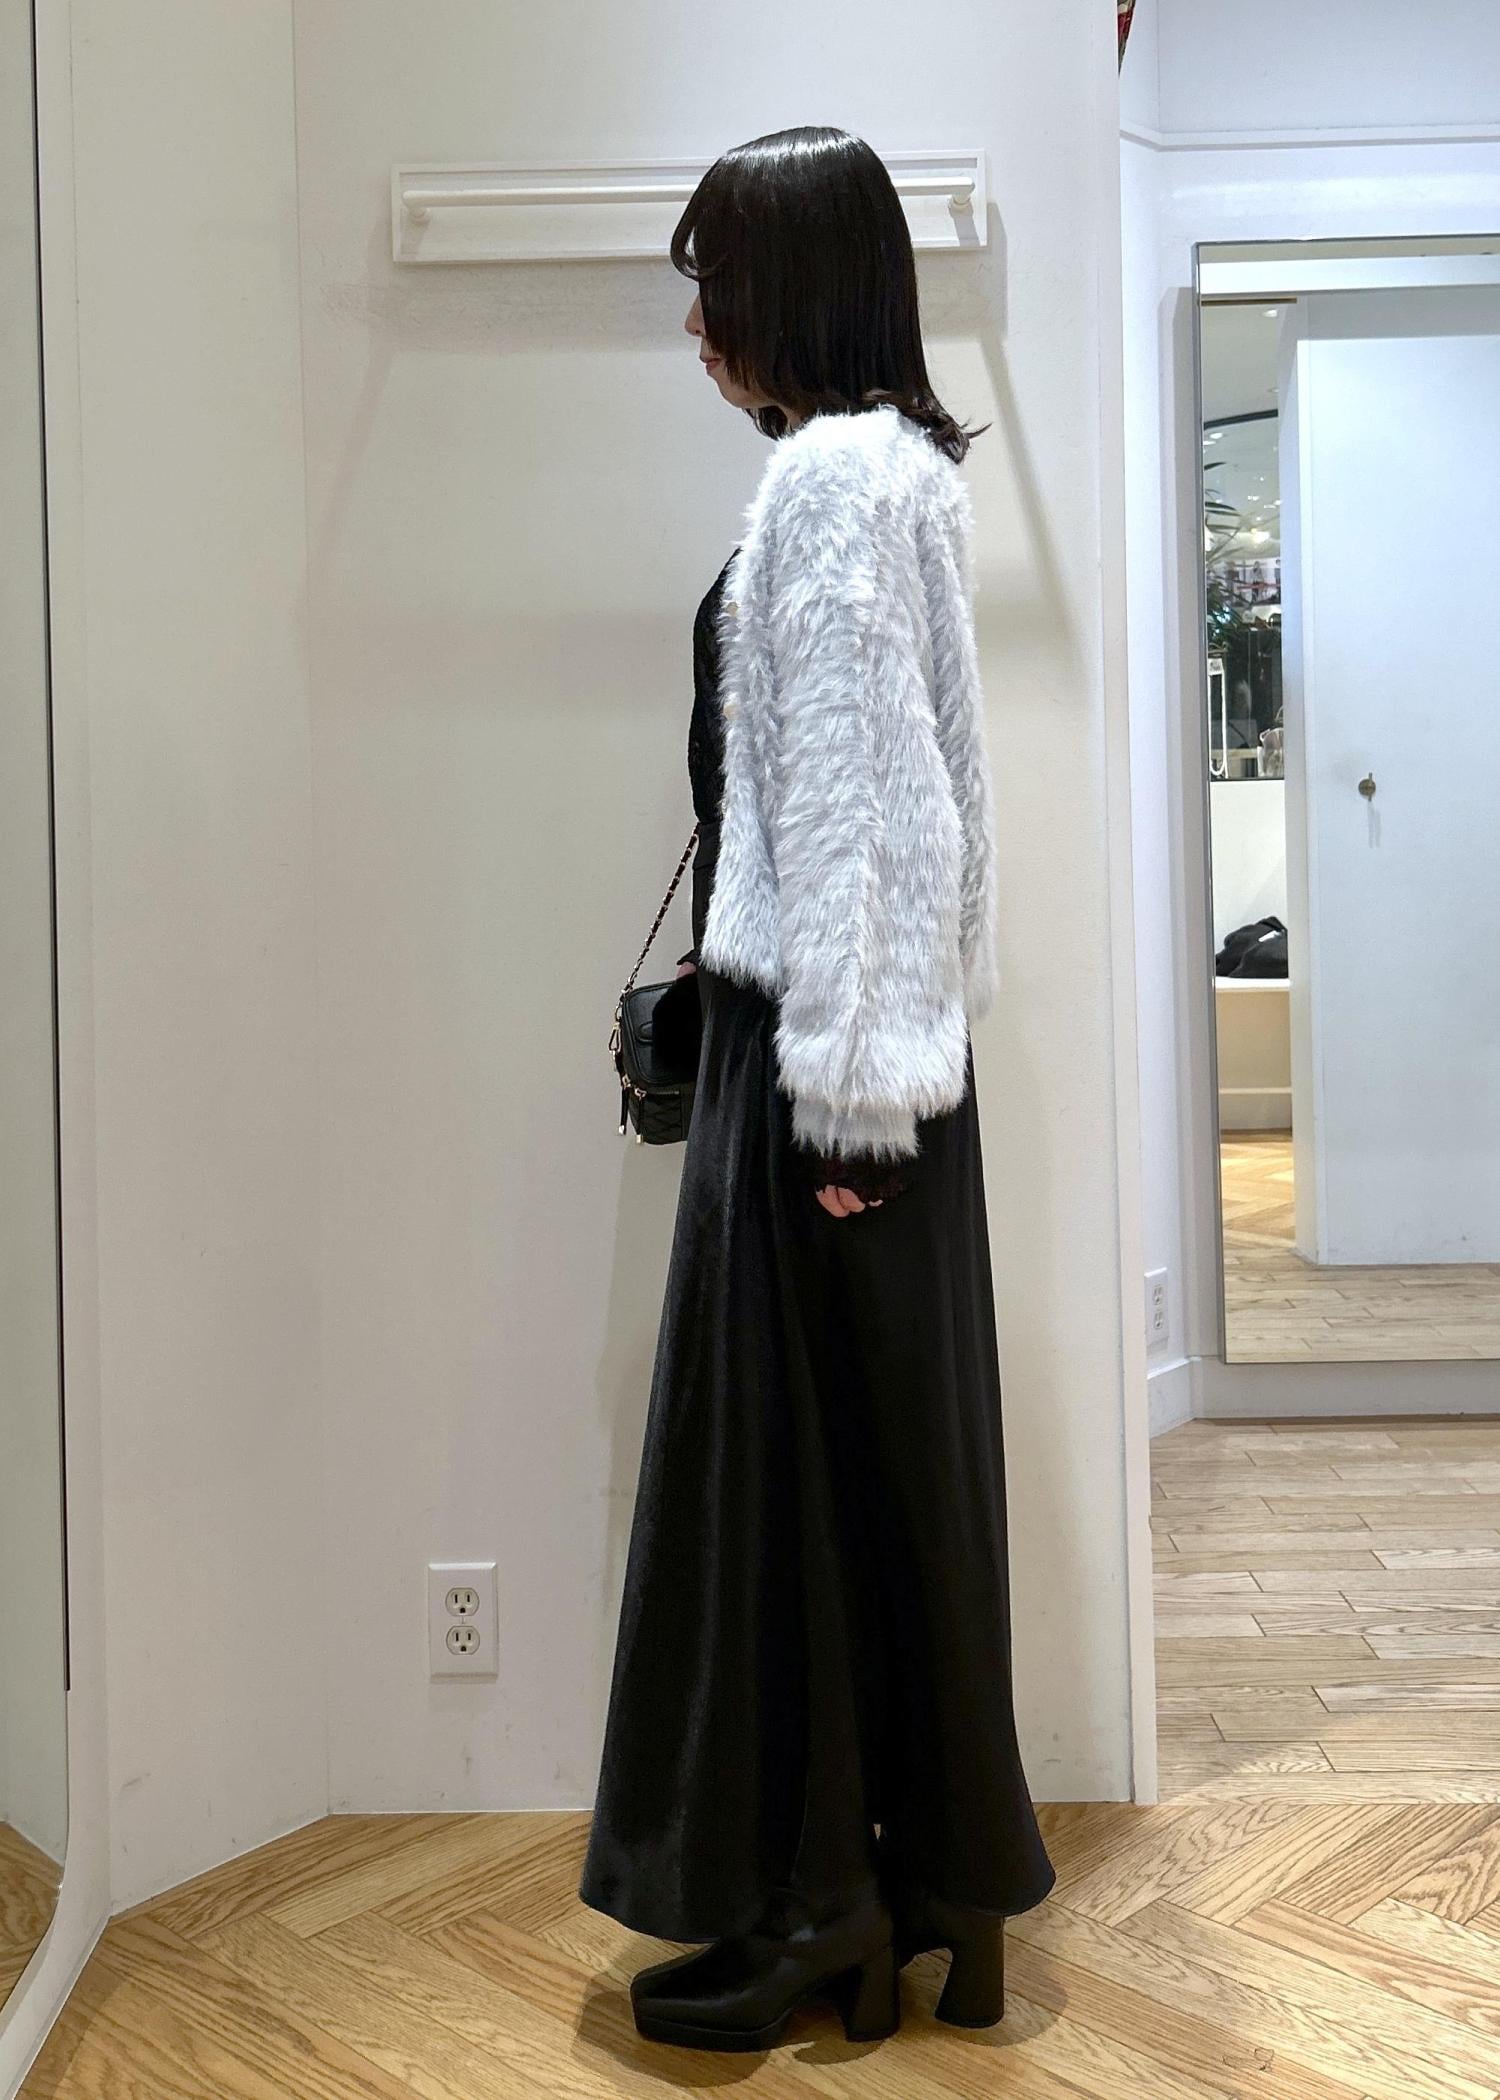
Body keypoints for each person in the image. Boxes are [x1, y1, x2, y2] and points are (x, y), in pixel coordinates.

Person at [579, 124, 1056, 2054]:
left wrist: (852, 1114)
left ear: (795, 289)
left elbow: (875, 815)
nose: (700, 325)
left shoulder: (836, 482)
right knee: (876, 1487)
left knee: (791, 1500)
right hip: (861, 1064)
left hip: (830, 1084)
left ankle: (824, 1910)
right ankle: (913, 1898)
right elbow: (904, 802)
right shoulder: (891, 471)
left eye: (720, 284)